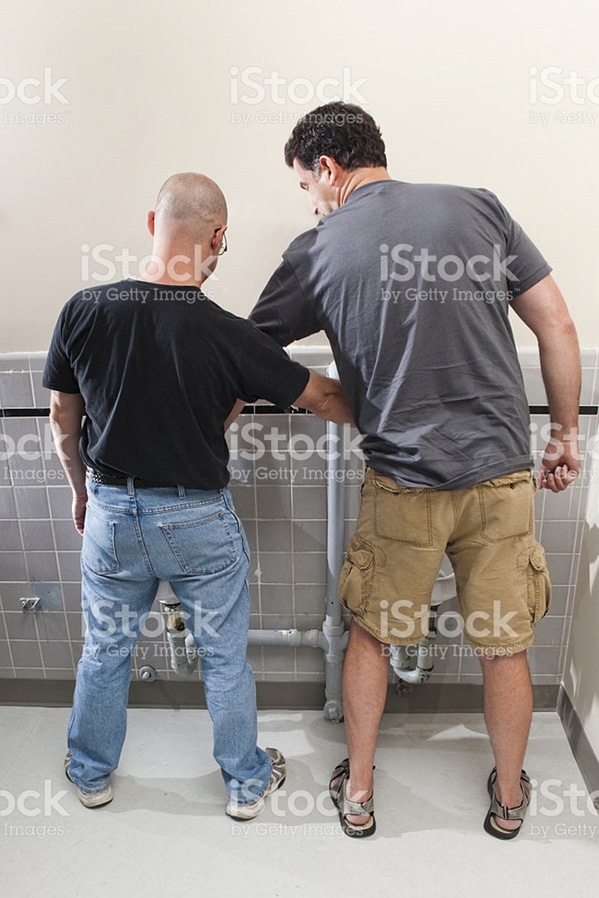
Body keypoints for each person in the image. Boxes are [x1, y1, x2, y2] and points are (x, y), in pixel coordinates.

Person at [249, 103, 581, 839]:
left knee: (370, 634)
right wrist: (562, 435)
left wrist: (331, 402)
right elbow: (555, 323)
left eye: (305, 185)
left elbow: (243, 353)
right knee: (503, 642)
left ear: (327, 169)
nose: (309, 201)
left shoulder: (318, 247)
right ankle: (507, 798)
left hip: (401, 480)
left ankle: (359, 793)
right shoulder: (477, 208)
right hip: (499, 474)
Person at [43, 172, 354, 819]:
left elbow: (62, 425)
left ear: (153, 224)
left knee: (105, 650)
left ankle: (92, 774)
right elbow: (324, 398)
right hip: (195, 520)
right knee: (223, 658)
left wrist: (82, 494)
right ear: (217, 238)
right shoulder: (228, 333)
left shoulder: (83, 309)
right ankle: (244, 784)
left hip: (109, 509)